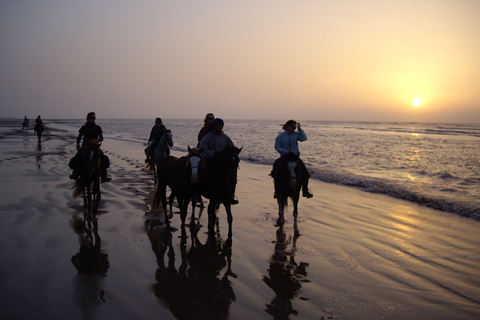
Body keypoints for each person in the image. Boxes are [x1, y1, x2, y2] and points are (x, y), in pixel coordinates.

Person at [199, 118, 239, 204]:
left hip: (222, 161)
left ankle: (231, 195)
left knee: (232, 176)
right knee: (200, 172)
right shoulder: (207, 137)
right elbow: (202, 150)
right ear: (214, 125)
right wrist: (213, 153)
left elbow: (231, 148)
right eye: (217, 125)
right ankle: (196, 192)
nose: (219, 127)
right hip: (210, 159)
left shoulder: (225, 137)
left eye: (220, 125)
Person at [273, 120, 313, 198]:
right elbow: (277, 146)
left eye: (295, 127)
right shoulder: (280, 136)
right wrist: (285, 152)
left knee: (305, 173)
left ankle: (305, 191)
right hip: (285, 157)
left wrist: (300, 129)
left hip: (295, 157)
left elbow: (304, 138)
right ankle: (277, 191)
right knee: (277, 173)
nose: (294, 129)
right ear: (288, 126)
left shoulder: (296, 135)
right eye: (293, 127)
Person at [69, 112, 111, 182]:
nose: (93, 119)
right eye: (92, 118)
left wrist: (96, 140)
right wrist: (77, 144)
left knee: (102, 158)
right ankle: (75, 173)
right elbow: (79, 137)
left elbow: (101, 138)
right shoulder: (84, 127)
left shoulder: (97, 127)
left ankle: (104, 175)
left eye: (94, 118)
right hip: (85, 146)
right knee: (78, 157)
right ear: (88, 118)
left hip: (95, 147)